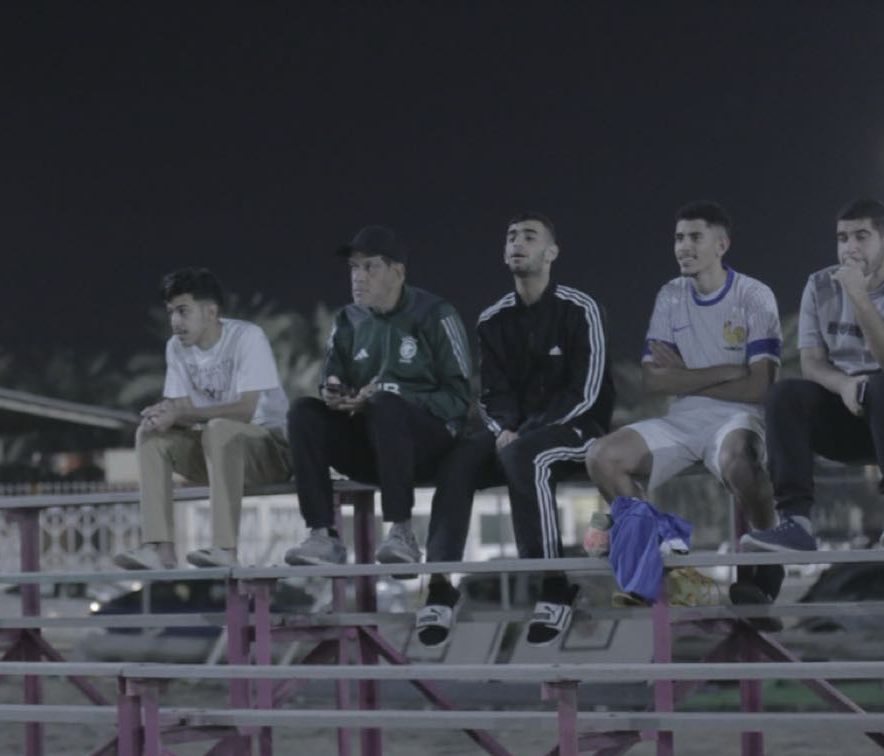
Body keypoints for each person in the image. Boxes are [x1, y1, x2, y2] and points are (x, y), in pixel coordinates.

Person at [417, 212, 615, 647]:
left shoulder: (581, 308)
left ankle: (554, 586)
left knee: (525, 456)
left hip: (578, 430)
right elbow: (491, 393)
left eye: (529, 236)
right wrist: (505, 427)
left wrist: (525, 432)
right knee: (459, 459)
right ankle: (440, 586)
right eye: (510, 236)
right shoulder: (493, 319)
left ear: (551, 252)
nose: (517, 243)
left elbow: (586, 391)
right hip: (515, 436)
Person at [584, 201, 784, 606]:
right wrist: (726, 371)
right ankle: (661, 548)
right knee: (601, 457)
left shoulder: (754, 295)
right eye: (678, 238)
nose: (683, 246)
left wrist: (687, 376)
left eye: (695, 237)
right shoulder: (671, 294)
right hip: (682, 419)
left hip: (738, 418)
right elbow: (653, 379)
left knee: (741, 464)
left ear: (721, 245)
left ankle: (766, 570)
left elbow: (759, 388)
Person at [741, 198, 884, 552]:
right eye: (842, 238)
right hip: (854, 408)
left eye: (861, 237)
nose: (850, 248)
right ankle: (795, 522)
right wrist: (843, 385)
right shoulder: (819, 285)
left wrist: (859, 297)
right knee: (784, 395)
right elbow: (811, 362)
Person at [283, 225, 472, 566]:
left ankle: (402, 533)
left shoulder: (435, 314)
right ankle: (322, 536)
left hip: (427, 448)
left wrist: (391, 395)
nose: (358, 277)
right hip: (371, 447)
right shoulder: (348, 319)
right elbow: (331, 374)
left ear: (397, 272)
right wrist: (334, 391)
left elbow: (459, 399)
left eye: (369, 266)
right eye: (354, 267)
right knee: (303, 412)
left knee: (384, 404)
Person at [114, 268, 291, 570]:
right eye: (171, 312)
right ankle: (159, 549)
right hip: (218, 456)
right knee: (150, 435)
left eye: (183, 311)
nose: (175, 322)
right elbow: (184, 410)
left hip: (272, 454)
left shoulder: (247, 337)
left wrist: (181, 412)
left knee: (219, 428)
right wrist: (164, 415)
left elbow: (246, 410)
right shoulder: (176, 348)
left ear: (210, 312)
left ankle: (225, 549)